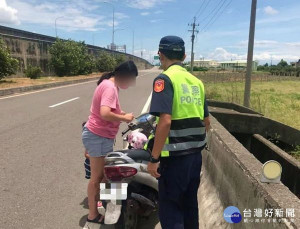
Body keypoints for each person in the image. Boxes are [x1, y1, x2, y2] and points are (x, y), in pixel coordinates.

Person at [146, 35, 210, 229]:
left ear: (160, 55)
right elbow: (207, 121)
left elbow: (165, 121)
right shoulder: (196, 82)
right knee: (190, 205)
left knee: (171, 209)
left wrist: (154, 158)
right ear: (183, 55)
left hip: (173, 159)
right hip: (195, 156)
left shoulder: (164, 79)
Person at [82, 60, 138, 226]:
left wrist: (123, 114)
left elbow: (110, 110)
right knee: (98, 177)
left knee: (105, 175)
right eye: (130, 79)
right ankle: (93, 214)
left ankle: (108, 207)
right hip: (98, 136)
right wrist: (124, 118)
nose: (130, 84)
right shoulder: (110, 87)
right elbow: (105, 113)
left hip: (100, 136)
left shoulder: (109, 85)